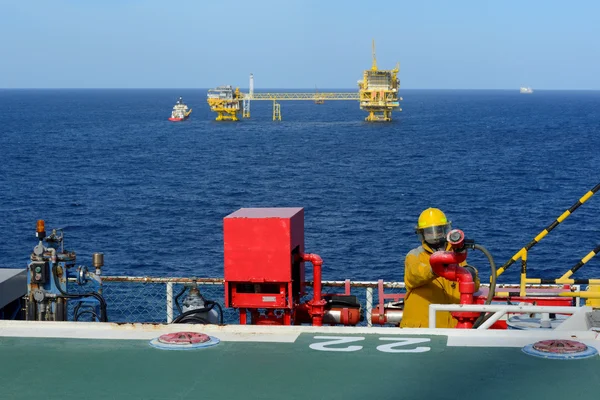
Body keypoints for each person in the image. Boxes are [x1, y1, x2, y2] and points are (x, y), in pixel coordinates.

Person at [400, 208, 479, 328]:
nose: (435, 235)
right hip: (421, 329)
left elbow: (474, 285)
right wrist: (434, 269)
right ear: (422, 234)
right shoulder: (414, 255)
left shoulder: (455, 256)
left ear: (445, 230)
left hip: (451, 327)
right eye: (429, 232)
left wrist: (472, 272)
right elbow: (415, 274)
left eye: (438, 230)